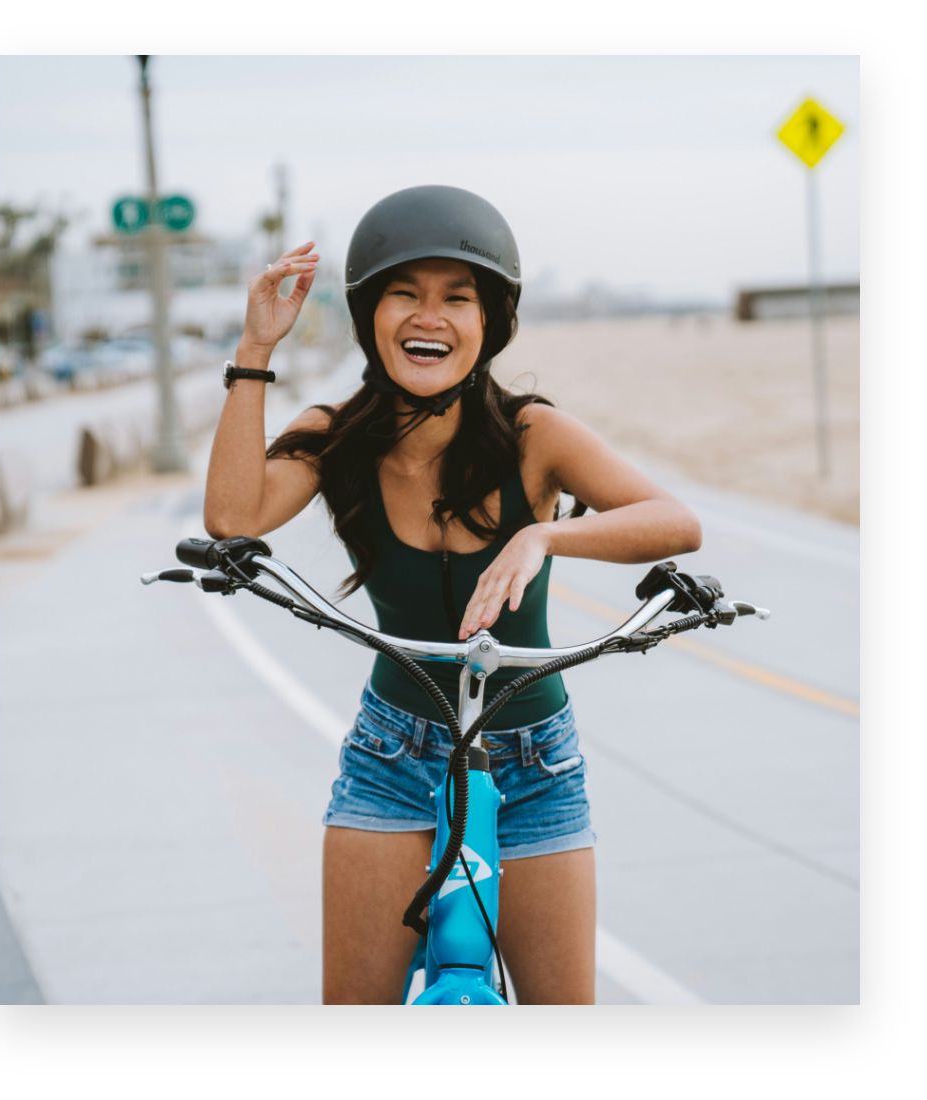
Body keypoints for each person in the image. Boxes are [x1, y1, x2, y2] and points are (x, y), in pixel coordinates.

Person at [204, 186, 701, 1005]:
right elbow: (232, 515)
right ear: (370, 316)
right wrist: (257, 346)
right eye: (404, 293)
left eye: (456, 298)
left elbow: (674, 522)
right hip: (390, 761)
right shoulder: (337, 434)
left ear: (489, 323)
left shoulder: (535, 435)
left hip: (537, 760)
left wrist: (544, 534)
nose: (427, 316)